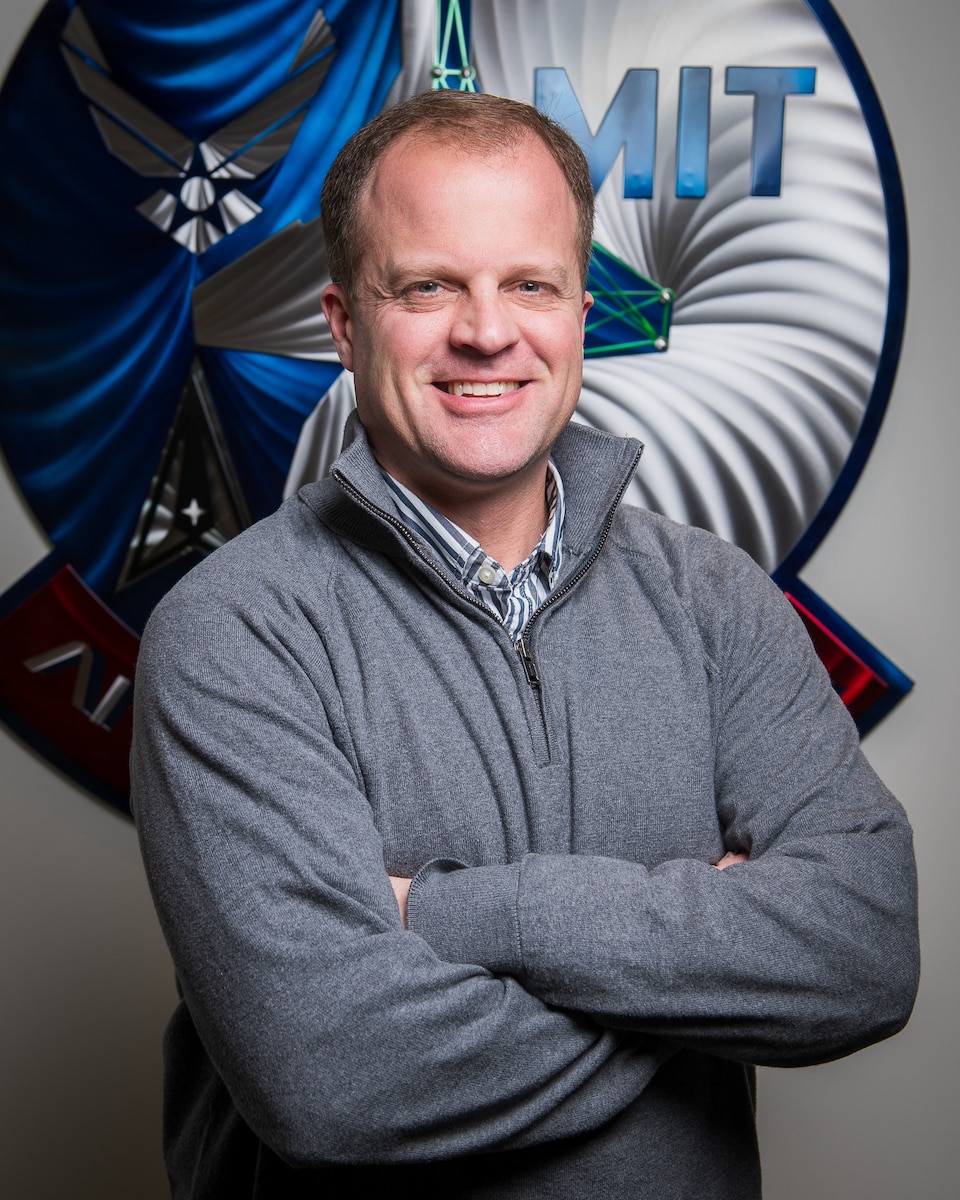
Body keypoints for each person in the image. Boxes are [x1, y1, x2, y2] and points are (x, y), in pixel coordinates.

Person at [131, 90, 919, 1199]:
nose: (486, 331)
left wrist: (454, 916)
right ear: (345, 323)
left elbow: (865, 952)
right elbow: (330, 1076)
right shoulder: (236, 634)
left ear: (580, 313)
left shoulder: (715, 602)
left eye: (529, 284)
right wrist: (702, 981)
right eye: (428, 286)